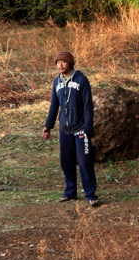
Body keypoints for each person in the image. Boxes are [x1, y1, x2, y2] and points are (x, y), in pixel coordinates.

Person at [41, 50, 99, 207]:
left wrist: (87, 127)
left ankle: (90, 194)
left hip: (80, 128)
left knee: (84, 162)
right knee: (66, 162)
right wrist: (48, 125)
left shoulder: (81, 80)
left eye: (63, 61)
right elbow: (54, 105)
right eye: (58, 62)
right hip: (65, 129)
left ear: (70, 63)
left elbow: (88, 105)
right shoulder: (56, 82)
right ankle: (70, 192)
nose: (60, 64)